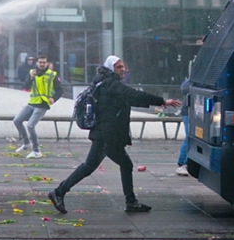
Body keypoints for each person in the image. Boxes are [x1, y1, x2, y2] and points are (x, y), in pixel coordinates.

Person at [49, 55, 181, 213]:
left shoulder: (107, 83)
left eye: (123, 66)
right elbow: (133, 94)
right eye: (119, 67)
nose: (123, 69)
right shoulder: (110, 84)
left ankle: (131, 202)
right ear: (111, 69)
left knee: (125, 164)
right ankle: (58, 192)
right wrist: (162, 100)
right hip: (106, 135)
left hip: (110, 136)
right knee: (89, 167)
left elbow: (129, 99)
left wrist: (157, 102)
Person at [13, 54, 63, 159]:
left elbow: (60, 90)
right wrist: (31, 77)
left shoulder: (52, 75)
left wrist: (53, 98)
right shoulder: (32, 73)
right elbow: (25, 86)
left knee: (30, 125)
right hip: (32, 103)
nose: (42, 64)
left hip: (43, 104)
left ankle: (36, 151)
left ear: (47, 63)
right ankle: (26, 143)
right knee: (17, 120)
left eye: (44, 62)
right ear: (36, 63)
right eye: (40, 62)